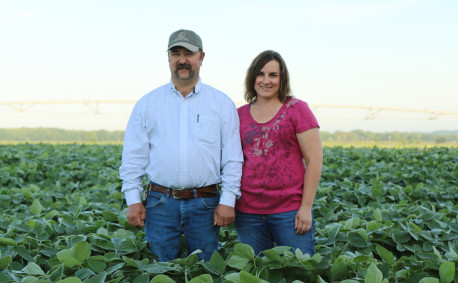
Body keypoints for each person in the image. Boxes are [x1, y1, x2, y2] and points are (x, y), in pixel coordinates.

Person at [119, 29, 243, 262]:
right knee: (160, 269)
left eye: (189, 53)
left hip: (206, 202)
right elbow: (133, 157)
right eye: (176, 53)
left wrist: (228, 200)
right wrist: (133, 200)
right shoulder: (148, 103)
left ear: (201, 57)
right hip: (160, 203)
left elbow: (232, 157)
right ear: (168, 58)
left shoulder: (221, 103)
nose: (182, 60)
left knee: (204, 270)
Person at [234, 50, 322, 256]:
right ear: (252, 77)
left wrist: (306, 207)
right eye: (260, 74)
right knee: (255, 273)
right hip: (247, 213)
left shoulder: (297, 109)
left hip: (290, 211)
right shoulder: (239, 115)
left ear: (282, 79)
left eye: (273, 75)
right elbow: (233, 162)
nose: (266, 81)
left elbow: (315, 160)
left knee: (297, 272)